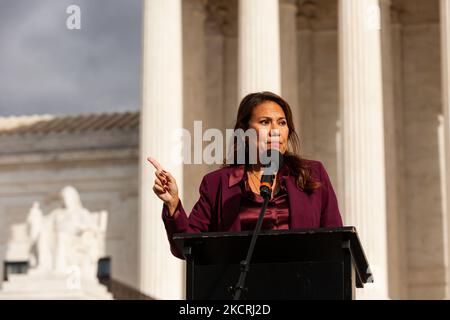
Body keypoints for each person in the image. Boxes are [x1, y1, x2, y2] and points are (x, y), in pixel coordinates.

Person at [149, 91, 343, 259]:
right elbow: (187, 247)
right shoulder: (218, 184)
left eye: (282, 123)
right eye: (265, 122)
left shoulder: (312, 174)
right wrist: (173, 204)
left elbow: (335, 243)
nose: (275, 131)